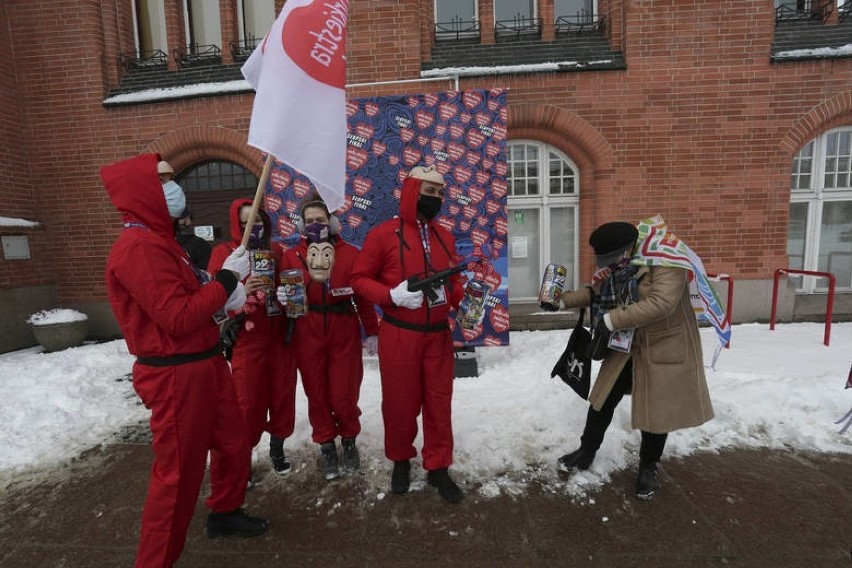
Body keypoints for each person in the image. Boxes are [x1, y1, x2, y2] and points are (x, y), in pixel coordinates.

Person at [101, 154, 267, 568]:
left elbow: (196, 303)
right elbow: (176, 317)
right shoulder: (137, 248)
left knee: (232, 442)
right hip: (176, 375)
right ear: (143, 193)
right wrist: (227, 279)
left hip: (206, 362)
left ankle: (225, 511)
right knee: (176, 477)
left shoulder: (163, 244)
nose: (175, 189)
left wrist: (225, 299)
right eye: (164, 183)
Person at [556, 220, 714, 500]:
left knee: (656, 413)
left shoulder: (666, 260)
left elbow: (661, 303)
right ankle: (587, 450)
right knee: (602, 399)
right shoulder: (622, 266)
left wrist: (611, 319)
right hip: (626, 344)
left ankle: (648, 466)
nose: (609, 265)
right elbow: (597, 292)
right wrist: (563, 301)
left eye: (612, 257)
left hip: (662, 346)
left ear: (628, 249)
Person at [351, 165, 465, 503]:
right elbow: (359, 279)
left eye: (441, 193)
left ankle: (438, 467)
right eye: (429, 192)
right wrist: (391, 296)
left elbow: (453, 283)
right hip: (400, 334)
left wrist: (465, 300)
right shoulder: (382, 235)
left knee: (439, 403)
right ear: (413, 191)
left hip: (437, 336)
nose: (436, 199)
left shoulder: (445, 235)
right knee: (400, 405)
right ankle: (401, 459)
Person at [276, 192, 379, 481]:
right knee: (317, 394)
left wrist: (372, 331)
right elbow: (285, 297)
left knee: (344, 393)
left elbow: (364, 298)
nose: (315, 225)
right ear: (301, 225)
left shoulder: (350, 254)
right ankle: (325, 444)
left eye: (320, 220)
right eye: (309, 221)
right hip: (307, 330)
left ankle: (348, 439)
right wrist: (283, 296)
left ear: (332, 222)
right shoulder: (291, 255)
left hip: (342, 327)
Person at [208, 198, 298, 478]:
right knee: (247, 403)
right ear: (237, 225)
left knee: (283, 397)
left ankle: (278, 448)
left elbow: (294, 293)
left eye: (257, 222)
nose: (253, 227)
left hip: (280, 338)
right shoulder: (226, 254)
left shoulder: (278, 250)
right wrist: (241, 289)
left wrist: (289, 296)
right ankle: (242, 459)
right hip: (247, 340)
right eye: (246, 223)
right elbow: (212, 299)